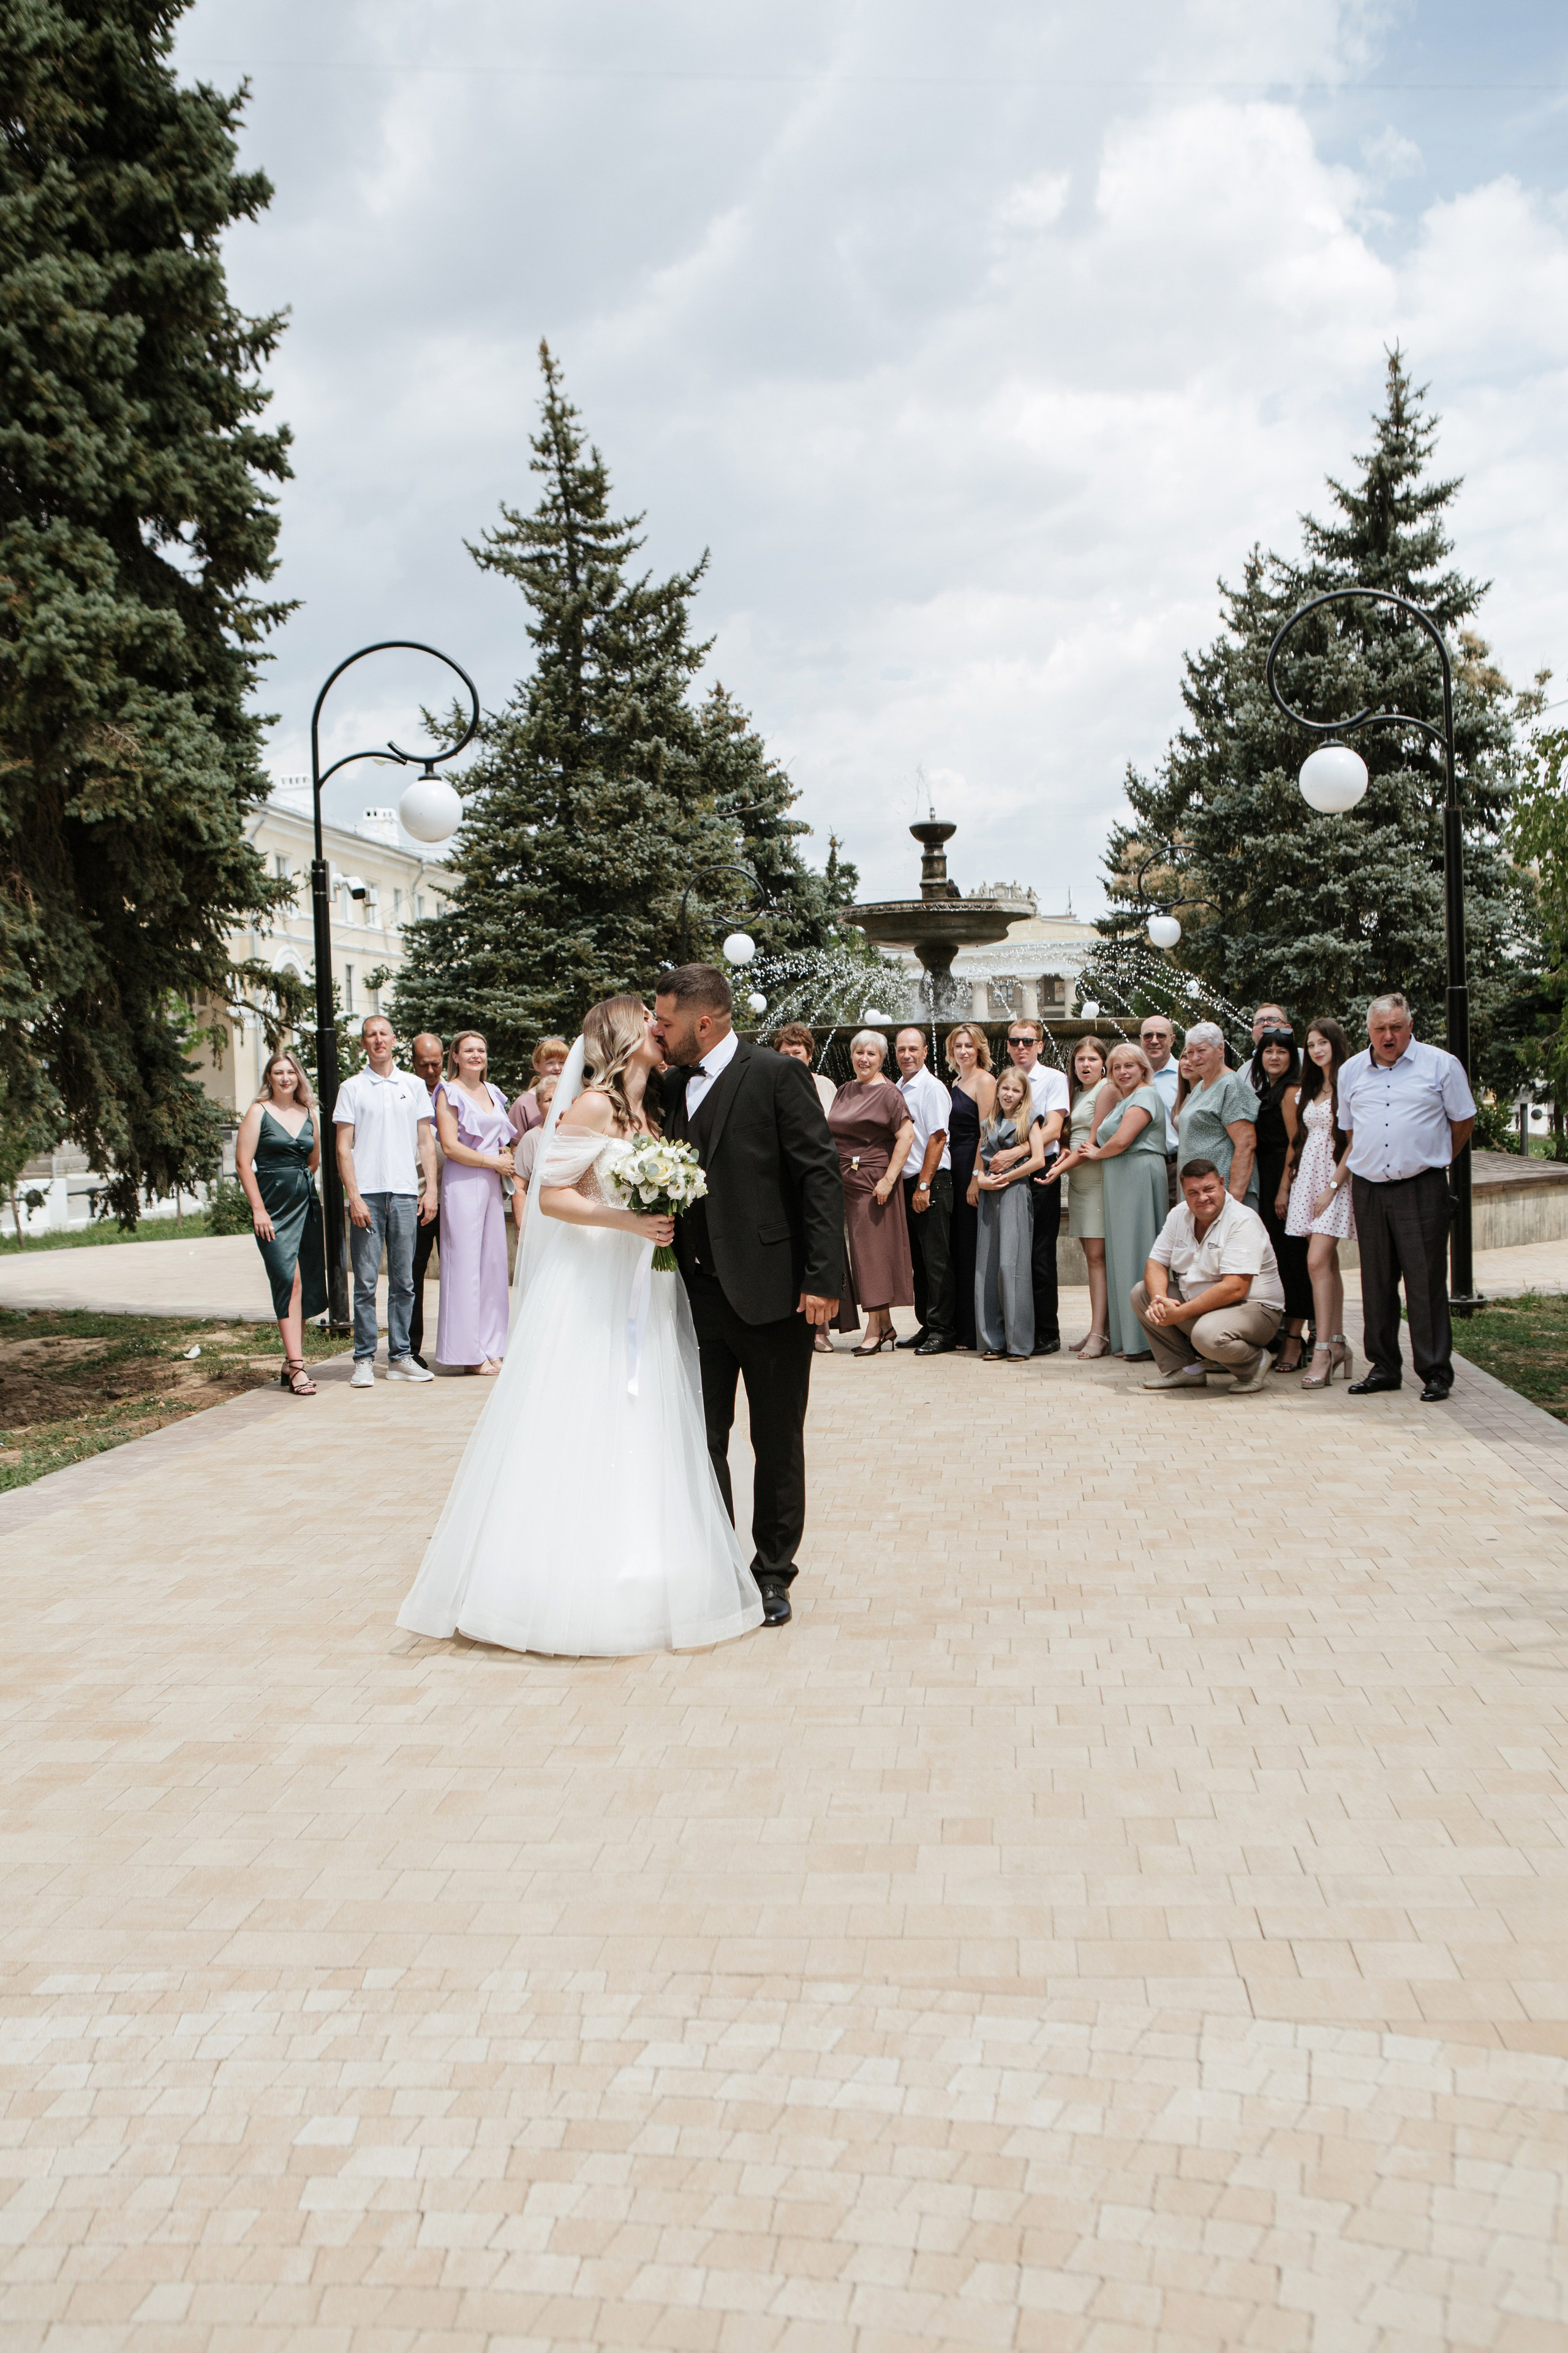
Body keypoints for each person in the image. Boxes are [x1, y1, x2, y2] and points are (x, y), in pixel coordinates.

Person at [397, 997, 763, 1656]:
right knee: (586, 1413)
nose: (660, 1030)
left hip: (641, 1283)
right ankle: (561, 1577)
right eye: (649, 1023)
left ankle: (646, 1568)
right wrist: (631, 1222)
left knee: (645, 1416)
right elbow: (552, 1196)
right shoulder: (594, 1104)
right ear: (623, 1037)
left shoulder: (645, 1109)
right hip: (593, 1284)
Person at [654, 962, 845, 1629]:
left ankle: (772, 1573)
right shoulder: (670, 1085)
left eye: (666, 1021)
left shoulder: (775, 1075)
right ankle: (719, 1566)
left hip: (775, 1294)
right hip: (693, 1294)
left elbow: (819, 1177)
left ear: (702, 1022)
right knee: (701, 1439)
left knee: (776, 1439)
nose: (659, 1030)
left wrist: (824, 1278)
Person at [1337, 992, 1476, 1402]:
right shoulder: (1351, 1071)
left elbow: (1463, 1120)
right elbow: (1350, 1130)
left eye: (1396, 1027)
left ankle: (1435, 1371)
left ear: (1410, 1026)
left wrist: (1434, 1159)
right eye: (1380, 1029)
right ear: (1368, 1030)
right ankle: (1383, 1367)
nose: (1388, 1036)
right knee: (1376, 1280)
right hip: (1369, 1189)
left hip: (1422, 1186)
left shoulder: (1440, 1065)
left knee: (1425, 1281)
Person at [334, 1014, 439, 1388]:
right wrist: (354, 1196)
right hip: (369, 1197)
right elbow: (343, 1148)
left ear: (394, 1040)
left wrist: (432, 1191)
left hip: (407, 1193)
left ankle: (399, 1357)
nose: (378, 1040)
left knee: (405, 1280)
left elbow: (426, 1142)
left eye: (383, 1034)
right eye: (370, 1035)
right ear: (363, 1044)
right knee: (364, 1281)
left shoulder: (413, 1085)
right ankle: (363, 1358)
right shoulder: (352, 1087)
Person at [1133, 1159, 1286, 1393]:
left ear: (1222, 1184)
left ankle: (1255, 1363)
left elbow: (1236, 1288)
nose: (1202, 1198)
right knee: (1142, 1293)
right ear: (1184, 1193)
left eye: (1208, 1189)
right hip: (1204, 1304)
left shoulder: (1243, 1221)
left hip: (1255, 1309)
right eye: (1193, 1192)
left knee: (1207, 1336)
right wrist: (1159, 1299)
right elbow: (1156, 1263)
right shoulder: (1179, 1214)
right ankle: (1185, 1370)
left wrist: (1179, 1313)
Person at [235, 1048, 326, 1397]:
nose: (285, 1078)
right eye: (278, 1073)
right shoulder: (258, 1112)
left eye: (290, 1072)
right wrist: (259, 1209)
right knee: (288, 1279)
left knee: (303, 1281)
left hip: (305, 1204)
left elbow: (313, 1159)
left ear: (297, 1076)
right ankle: (299, 1368)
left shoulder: (308, 1112)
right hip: (271, 1208)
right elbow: (244, 1164)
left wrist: (300, 1185)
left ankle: (292, 1363)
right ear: (269, 1079)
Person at [1070, 1041, 1166, 1359]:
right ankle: (1127, 1338)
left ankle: (1146, 1340)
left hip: (1137, 1175)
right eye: (1117, 1068)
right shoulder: (1127, 1098)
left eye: (1129, 1066)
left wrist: (1097, 1153)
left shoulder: (1146, 1095)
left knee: (1138, 1252)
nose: (1123, 1072)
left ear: (1143, 1069)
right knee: (1122, 1256)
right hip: (1120, 1177)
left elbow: (1123, 1139)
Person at [825, 1030, 916, 1354]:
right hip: (843, 1180)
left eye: (871, 1054)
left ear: (881, 1059)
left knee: (871, 1253)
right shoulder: (846, 1090)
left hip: (873, 1181)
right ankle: (886, 1325)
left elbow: (907, 1137)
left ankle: (874, 1330)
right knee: (864, 1253)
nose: (864, 1059)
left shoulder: (889, 1093)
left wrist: (890, 1180)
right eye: (859, 1052)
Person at [434, 1030, 515, 1375]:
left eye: (481, 1050)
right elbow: (450, 1146)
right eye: (468, 1050)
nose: (476, 1055)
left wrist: (505, 1154)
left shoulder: (493, 1092)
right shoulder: (448, 1093)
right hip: (464, 1182)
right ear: (455, 1055)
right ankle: (467, 1353)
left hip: (492, 1183)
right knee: (465, 1266)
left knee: (493, 1265)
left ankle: (492, 1344)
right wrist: (491, 1163)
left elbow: (503, 1136)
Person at [1285, 1016, 1357, 1390]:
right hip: (1308, 1181)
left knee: (1316, 1263)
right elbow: (1299, 1140)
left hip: (1334, 1181)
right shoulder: (1310, 1088)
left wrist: (1332, 1186)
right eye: (1311, 1045)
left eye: (1322, 1043)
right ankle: (1340, 1342)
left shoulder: (1348, 1085)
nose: (1316, 1050)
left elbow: (1354, 1141)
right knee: (1327, 1265)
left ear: (1335, 1044)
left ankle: (1324, 1349)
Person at [1002, 1019, 1069, 1356]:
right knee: (1012, 1256)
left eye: (1028, 1041)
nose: (1021, 1047)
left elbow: (1055, 1129)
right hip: (1007, 1179)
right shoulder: (1005, 1079)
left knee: (1040, 1255)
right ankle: (1016, 1328)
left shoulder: (1054, 1079)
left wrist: (1018, 1150)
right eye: (1015, 1041)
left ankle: (1047, 1332)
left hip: (1040, 1176)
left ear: (1040, 1045)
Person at [1042, 1035, 1110, 1356]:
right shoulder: (1076, 1092)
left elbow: (1092, 1143)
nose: (1086, 1065)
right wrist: (1064, 1152)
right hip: (1079, 1183)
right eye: (1080, 1060)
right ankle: (1099, 1327)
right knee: (1092, 1259)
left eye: (1092, 1059)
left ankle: (1100, 1334)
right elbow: (1073, 1138)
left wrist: (1057, 1169)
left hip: (1095, 1180)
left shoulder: (1105, 1090)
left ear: (1103, 1063)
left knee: (1098, 1260)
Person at [1250, 1025, 1313, 1372]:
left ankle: (1294, 1340)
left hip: (1284, 1180)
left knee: (1292, 1262)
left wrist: (1285, 1189)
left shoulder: (1291, 1091)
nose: (1274, 1056)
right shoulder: (1268, 1090)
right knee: (1277, 1261)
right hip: (1270, 1176)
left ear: (1292, 1059)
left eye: (1282, 1052)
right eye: (1268, 1050)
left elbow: (1296, 1140)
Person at [970, 1064, 1044, 1359]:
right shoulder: (989, 1122)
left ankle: (1019, 1343)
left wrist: (1007, 1177)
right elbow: (980, 1161)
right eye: (1005, 1089)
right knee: (987, 1267)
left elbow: (1038, 1160)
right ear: (997, 1090)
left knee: (1011, 1266)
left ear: (1023, 1094)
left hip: (1014, 1193)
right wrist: (980, 1180)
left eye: (1016, 1090)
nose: (1009, 1094)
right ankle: (993, 1341)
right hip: (989, 1196)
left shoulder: (1030, 1121)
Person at [893, 1027, 956, 1355]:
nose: (907, 1055)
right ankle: (928, 1324)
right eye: (902, 1049)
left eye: (913, 1049)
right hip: (909, 1182)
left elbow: (938, 1138)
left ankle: (944, 1331)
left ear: (926, 1051)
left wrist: (923, 1185)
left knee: (936, 1260)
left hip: (930, 1182)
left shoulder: (931, 1088)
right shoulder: (900, 1087)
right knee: (919, 1260)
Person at [943, 1023, 997, 1351]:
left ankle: (977, 1330)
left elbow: (986, 1133)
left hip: (971, 1165)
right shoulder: (956, 1081)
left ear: (979, 1050)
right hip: (953, 1164)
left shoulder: (985, 1081)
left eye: (969, 1046)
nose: (964, 1051)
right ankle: (961, 1326)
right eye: (958, 1046)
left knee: (973, 1248)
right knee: (959, 1247)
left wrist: (977, 1177)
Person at [1175, 1021, 1258, 1204]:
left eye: (1202, 1051)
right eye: (1190, 1052)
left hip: (1222, 1194)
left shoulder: (1231, 1085)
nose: (1195, 1058)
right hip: (1200, 1193)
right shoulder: (1201, 1086)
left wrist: (1233, 1199)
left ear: (1220, 1049)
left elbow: (1246, 1144)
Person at [409, 1031, 445, 1369]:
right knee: (414, 1275)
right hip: (418, 1198)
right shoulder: (406, 1092)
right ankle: (411, 1348)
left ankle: (459, 1347)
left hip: (455, 1198)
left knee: (459, 1273)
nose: (431, 1071)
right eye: (424, 1065)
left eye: (436, 1063)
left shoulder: (455, 1091)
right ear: (413, 1063)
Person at [1139, 1016, 1182, 1206]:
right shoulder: (1130, 1075)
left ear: (1172, 1040)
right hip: (1139, 1168)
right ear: (1141, 1040)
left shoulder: (1186, 1075)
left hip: (1174, 1167)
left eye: (1161, 1036)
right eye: (1148, 1036)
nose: (1154, 1041)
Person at [511, 1074, 559, 1232]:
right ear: (538, 1105)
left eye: (558, 1097)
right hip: (538, 1221)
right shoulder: (531, 1138)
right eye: (548, 1100)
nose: (554, 1104)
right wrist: (522, 1230)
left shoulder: (576, 1136)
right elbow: (518, 1187)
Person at [509, 1036, 571, 1135]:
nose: (557, 1068)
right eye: (550, 1063)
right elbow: (517, 1148)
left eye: (562, 1063)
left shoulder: (574, 1097)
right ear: (537, 1066)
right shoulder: (524, 1104)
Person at [773, 1024, 837, 1117]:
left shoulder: (825, 1085)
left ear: (809, 1055)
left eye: (797, 1053)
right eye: (785, 1054)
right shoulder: (772, 1089)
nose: (790, 1059)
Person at [1243, 1003, 1291, 1092]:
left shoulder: (1304, 1059)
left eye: (1272, 1020)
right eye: (1259, 1022)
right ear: (1253, 1033)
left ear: (1287, 1028)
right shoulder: (1242, 1072)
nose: (1265, 1024)